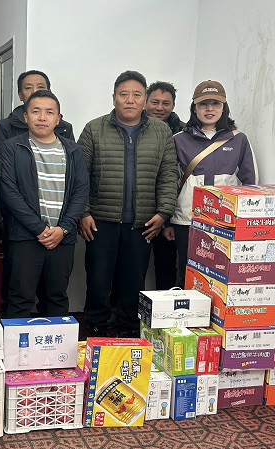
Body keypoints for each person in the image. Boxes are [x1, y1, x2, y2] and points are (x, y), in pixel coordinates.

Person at [78, 70, 178, 337]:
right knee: (98, 278)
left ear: (144, 99)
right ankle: (97, 323)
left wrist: (163, 212)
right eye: (124, 94)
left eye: (136, 95)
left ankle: (128, 326)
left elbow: (169, 174)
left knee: (134, 279)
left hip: (142, 222)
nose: (130, 100)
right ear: (114, 98)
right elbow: (79, 175)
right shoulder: (94, 129)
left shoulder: (161, 131)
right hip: (99, 221)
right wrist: (83, 212)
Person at [0, 90, 89, 317]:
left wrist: (63, 228)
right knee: (20, 298)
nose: (42, 117)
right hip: (25, 236)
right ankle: (17, 342)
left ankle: (56, 342)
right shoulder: (11, 147)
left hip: (62, 237)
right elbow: (8, 192)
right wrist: (39, 228)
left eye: (49, 112)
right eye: (35, 111)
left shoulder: (73, 150)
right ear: (25, 117)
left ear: (58, 119)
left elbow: (80, 192)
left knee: (56, 297)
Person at [163, 80, 257, 287]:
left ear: (224, 108)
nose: (209, 109)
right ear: (194, 107)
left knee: (221, 276)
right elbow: (168, 182)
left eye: (216, 103)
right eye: (203, 104)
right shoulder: (178, 140)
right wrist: (168, 221)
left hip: (225, 221)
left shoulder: (238, 139)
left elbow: (250, 183)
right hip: (187, 220)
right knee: (188, 273)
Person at [145, 81, 185, 290]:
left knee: (166, 265)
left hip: (169, 212)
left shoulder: (183, 133)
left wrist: (167, 216)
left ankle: (165, 306)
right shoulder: (133, 127)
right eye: (155, 102)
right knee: (130, 267)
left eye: (166, 103)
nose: (160, 108)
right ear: (145, 101)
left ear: (173, 105)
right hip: (140, 210)